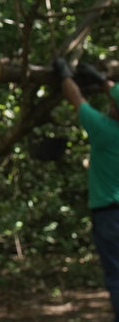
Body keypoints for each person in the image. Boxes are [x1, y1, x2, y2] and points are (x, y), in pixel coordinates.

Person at [54, 58, 119, 321]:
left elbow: (76, 97)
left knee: (116, 273)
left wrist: (64, 74)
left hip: (110, 217)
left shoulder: (105, 132)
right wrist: (102, 81)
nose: (110, 105)